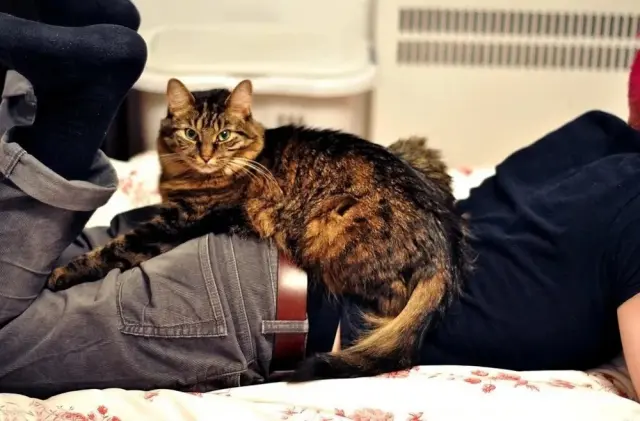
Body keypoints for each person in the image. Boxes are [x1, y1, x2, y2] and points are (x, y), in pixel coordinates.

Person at [3, 0, 640, 401]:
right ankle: (76, 104)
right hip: (270, 286)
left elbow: (456, 216)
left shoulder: (597, 136)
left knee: (36, 272)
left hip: (235, 243)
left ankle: (62, 74)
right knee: (8, 340)